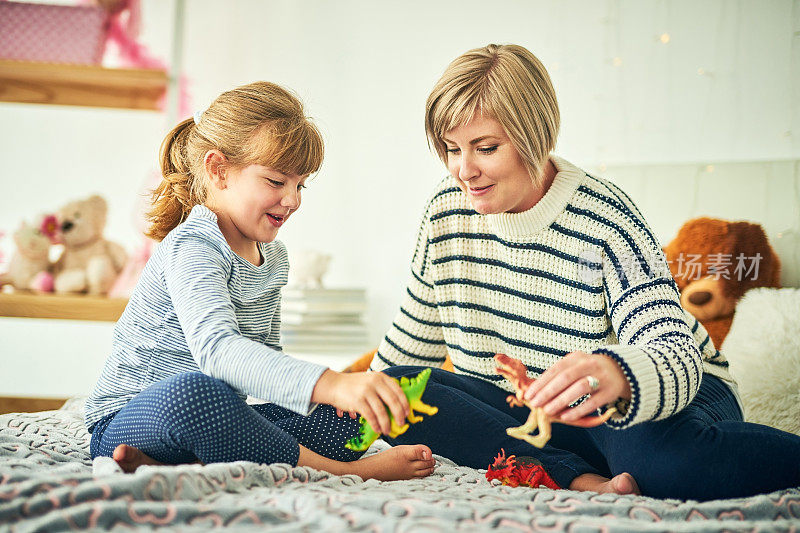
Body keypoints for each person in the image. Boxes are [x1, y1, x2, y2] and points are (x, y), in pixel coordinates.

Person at [370, 44, 800, 500]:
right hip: (538, 420)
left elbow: (674, 350)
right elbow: (406, 354)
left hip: (654, 394)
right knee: (396, 394)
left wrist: (615, 371)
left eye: (486, 148)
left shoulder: (605, 219)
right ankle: (578, 476)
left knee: (663, 465)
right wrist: (356, 408)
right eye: (452, 149)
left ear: (535, 136)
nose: (464, 170)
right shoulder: (445, 212)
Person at [84, 81, 435, 481]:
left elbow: (266, 356)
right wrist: (331, 384)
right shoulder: (194, 245)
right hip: (132, 420)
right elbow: (218, 352)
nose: (294, 199)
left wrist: (332, 396)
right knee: (199, 392)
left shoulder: (274, 258)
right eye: (276, 181)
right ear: (218, 170)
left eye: (300, 184)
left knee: (347, 418)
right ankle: (342, 470)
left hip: (217, 414)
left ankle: (190, 463)